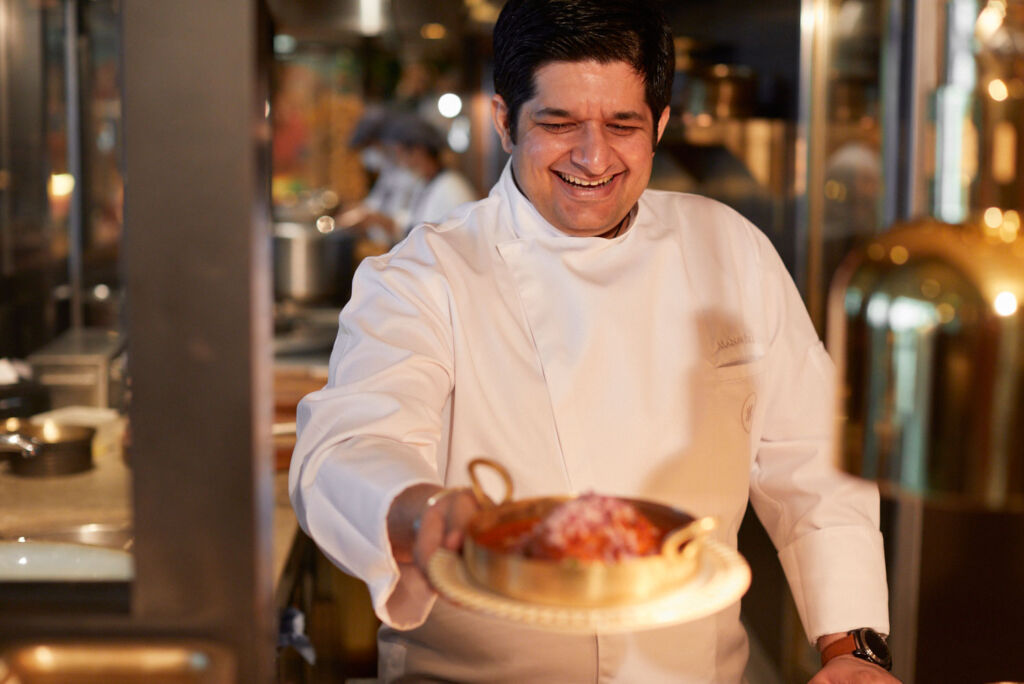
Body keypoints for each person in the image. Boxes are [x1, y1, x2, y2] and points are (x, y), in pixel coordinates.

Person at [289, 1, 897, 681]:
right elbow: (347, 447)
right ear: (504, 122)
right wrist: (421, 510)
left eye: (622, 125)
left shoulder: (731, 248)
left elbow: (812, 463)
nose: (593, 157)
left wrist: (853, 648)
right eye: (558, 124)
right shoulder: (425, 274)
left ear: (659, 124)